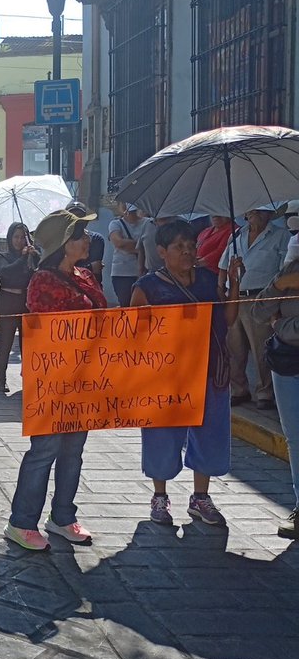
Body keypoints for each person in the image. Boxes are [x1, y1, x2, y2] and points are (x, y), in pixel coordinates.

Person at [5, 208, 107, 550]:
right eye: (79, 235)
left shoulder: (86, 276)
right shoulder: (42, 282)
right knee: (45, 449)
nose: (87, 240)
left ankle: (63, 516)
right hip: (51, 380)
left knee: (73, 450)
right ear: (64, 245)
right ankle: (22, 522)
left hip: (85, 377)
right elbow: (58, 327)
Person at [131, 220, 239, 528]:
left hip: (209, 370)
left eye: (191, 246)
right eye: (179, 247)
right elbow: (133, 334)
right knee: (162, 435)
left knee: (209, 433)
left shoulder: (208, 280)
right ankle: (160, 496)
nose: (188, 252)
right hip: (166, 376)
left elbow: (228, 320)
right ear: (162, 251)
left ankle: (200, 497)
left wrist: (232, 285)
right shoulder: (147, 287)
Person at [219, 202, 292, 409]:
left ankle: (264, 392)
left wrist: (275, 304)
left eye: (260, 210)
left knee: (260, 348)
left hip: (261, 298)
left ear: (269, 214)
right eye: (252, 210)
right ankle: (238, 389)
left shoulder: (280, 236)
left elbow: (282, 272)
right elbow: (223, 266)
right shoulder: (236, 236)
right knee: (234, 348)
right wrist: (221, 289)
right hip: (235, 295)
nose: (255, 214)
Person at [252, 242, 299, 539]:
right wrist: (280, 283)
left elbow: (278, 322)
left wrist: (282, 326)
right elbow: (259, 312)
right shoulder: (289, 271)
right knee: (295, 438)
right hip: (286, 364)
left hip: (285, 344)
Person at [0, 222, 39, 394]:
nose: (19, 241)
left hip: (26, 302)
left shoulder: (31, 256)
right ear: (10, 238)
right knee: (5, 341)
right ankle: (0, 380)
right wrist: (22, 258)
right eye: (16, 237)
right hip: (7, 301)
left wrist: (36, 255)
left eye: (22, 237)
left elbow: (43, 269)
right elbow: (6, 272)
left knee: (26, 344)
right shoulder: (2, 257)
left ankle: (28, 378)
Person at [109, 202, 148, 306]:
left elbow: (151, 245)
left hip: (145, 273)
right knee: (126, 305)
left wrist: (131, 246)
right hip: (122, 274)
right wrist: (142, 247)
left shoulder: (148, 223)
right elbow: (118, 242)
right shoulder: (116, 224)